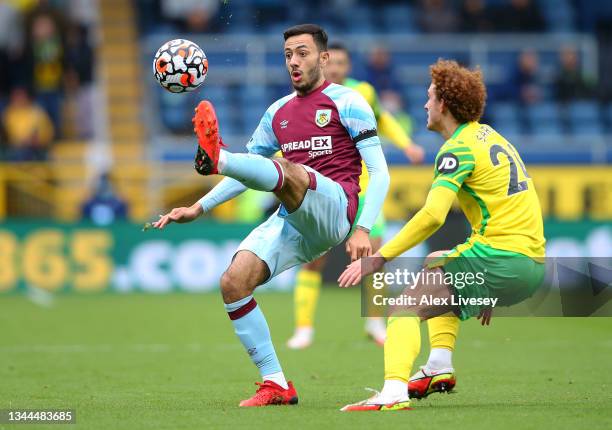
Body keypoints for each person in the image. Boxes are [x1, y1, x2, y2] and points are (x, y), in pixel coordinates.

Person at [152, 24, 390, 407]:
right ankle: (276, 382)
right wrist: (199, 208)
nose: (293, 62)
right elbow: (251, 169)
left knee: (285, 169)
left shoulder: (349, 102)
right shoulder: (277, 112)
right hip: (295, 217)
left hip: (337, 208)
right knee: (233, 281)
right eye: (287, 55)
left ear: (323, 59)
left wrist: (362, 227)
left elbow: (380, 171)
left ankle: (218, 157)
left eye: (302, 53)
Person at [338, 59, 545, 411]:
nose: (425, 105)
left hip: (501, 258)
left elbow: (433, 215)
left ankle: (392, 394)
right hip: (529, 262)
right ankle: (439, 366)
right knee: (437, 261)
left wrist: (380, 256)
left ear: (444, 105)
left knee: (403, 309)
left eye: (430, 97)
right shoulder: (491, 136)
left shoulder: (456, 149)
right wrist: (492, 280)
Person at [287, 41, 424, 349]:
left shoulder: (363, 92)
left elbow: (384, 118)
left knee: (375, 255)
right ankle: (303, 328)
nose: (335, 68)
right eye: (330, 63)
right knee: (314, 259)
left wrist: (406, 145)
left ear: (348, 67)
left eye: (341, 64)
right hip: (321, 191)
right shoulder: (306, 97)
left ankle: (375, 324)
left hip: (360, 189)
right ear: (321, 63)